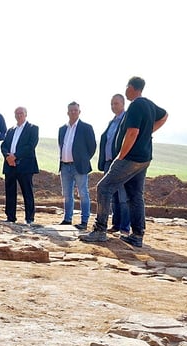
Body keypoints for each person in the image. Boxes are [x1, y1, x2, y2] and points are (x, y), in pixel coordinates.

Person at [82, 76, 168, 247]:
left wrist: (121, 156)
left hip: (131, 158)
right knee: (135, 194)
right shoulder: (149, 104)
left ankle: (100, 230)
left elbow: (132, 133)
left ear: (130, 87)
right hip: (144, 158)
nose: (125, 90)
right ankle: (137, 235)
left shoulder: (136, 105)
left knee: (104, 187)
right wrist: (148, 131)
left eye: (126, 87)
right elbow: (165, 115)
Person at [57, 102, 97, 227]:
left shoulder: (86, 127)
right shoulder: (62, 129)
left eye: (75, 110)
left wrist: (83, 159)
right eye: (71, 110)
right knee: (67, 194)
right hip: (64, 166)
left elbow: (92, 147)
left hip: (79, 166)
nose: (73, 112)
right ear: (67, 112)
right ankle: (67, 219)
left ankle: (84, 221)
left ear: (79, 112)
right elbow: (61, 145)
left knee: (83, 193)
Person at [0, 107, 39, 226]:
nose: (19, 115)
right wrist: (8, 157)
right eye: (17, 113)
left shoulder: (33, 128)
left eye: (21, 113)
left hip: (25, 165)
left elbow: (30, 146)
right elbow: (4, 145)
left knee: (27, 191)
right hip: (10, 165)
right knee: (10, 191)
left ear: (26, 114)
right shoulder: (11, 130)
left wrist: (15, 156)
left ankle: (29, 218)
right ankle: (10, 217)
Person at [97, 93, 129, 234]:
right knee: (113, 195)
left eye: (116, 103)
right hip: (108, 162)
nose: (113, 106)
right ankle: (116, 225)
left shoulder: (126, 120)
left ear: (123, 104)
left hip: (121, 163)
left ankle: (124, 227)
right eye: (112, 104)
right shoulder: (112, 122)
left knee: (123, 196)